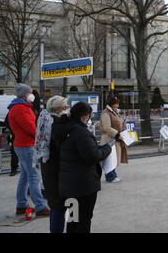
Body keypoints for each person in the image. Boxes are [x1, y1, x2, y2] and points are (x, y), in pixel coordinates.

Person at [58, 102, 112, 233]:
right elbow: (92, 156)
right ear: (85, 116)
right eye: (90, 115)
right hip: (83, 185)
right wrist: (107, 149)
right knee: (84, 219)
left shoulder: (65, 128)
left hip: (68, 183)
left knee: (72, 218)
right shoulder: (81, 132)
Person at [7, 84, 50, 217]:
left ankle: (21, 205)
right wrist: (41, 136)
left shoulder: (19, 107)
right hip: (26, 145)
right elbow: (30, 128)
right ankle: (40, 206)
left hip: (22, 144)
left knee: (25, 176)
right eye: (30, 93)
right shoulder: (20, 108)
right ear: (25, 95)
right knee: (34, 176)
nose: (32, 95)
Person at [36, 96, 69, 233]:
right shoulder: (56, 124)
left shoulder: (44, 119)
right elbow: (62, 148)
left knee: (56, 205)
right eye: (65, 106)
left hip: (47, 166)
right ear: (57, 108)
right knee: (60, 206)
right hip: (57, 170)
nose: (67, 109)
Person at [100, 96, 128, 183]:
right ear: (112, 104)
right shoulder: (106, 113)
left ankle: (113, 174)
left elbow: (118, 123)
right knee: (110, 158)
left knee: (114, 158)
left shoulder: (114, 112)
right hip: (109, 139)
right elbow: (106, 127)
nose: (118, 105)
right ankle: (110, 176)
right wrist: (117, 134)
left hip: (115, 138)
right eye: (116, 103)